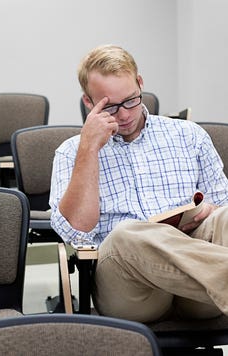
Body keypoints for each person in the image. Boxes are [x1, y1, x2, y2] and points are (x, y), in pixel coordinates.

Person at [49, 44, 228, 323]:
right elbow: (76, 233)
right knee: (126, 234)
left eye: (131, 100)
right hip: (132, 291)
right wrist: (89, 149)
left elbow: (221, 205)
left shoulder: (188, 135)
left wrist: (207, 211)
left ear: (140, 83)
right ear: (88, 102)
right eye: (110, 106)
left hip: (197, 292)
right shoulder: (72, 152)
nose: (123, 115)